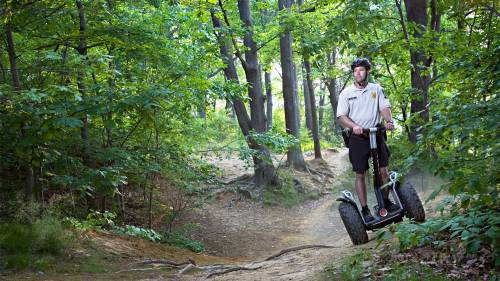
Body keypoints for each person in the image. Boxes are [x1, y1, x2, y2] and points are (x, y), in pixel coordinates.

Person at [336, 58, 396, 222]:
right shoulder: (347, 93)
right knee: (360, 173)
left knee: (383, 171)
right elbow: (341, 116)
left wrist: (389, 121)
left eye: (361, 70)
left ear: (367, 72)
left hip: (376, 133)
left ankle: (385, 202)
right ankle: (365, 210)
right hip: (357, 137)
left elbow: (384, 107)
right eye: (355, 71)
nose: (358, 73)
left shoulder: (376, 89)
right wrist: (354, 126)